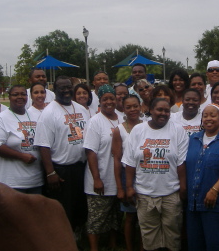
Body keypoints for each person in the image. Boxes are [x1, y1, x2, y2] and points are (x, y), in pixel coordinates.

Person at [122, 98, 188, 251]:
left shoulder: (178, 130)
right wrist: (129, 187)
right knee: (149, 237)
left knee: (173, 236)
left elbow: (181, 162)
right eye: (159, 110)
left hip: (171, 193)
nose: (163, 113)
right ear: (150, 110)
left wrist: (183, 187)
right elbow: (130, 162)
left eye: (166, 111)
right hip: (144, 193)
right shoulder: (138, 130)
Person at [34, 76, 90, 231]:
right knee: (64, 208)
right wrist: (50, 172)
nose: (66, 91)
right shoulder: (48, 113)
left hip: (81, 166)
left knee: (80, 204)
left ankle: (78, 235)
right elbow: (43, 145)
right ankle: (64, 239)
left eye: (68, 87)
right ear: (54, 90)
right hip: (61, 169)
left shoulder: (80, 109)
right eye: (62, 88)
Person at [186, 104, 219, 251]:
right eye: (205, 115)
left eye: (213, 115)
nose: (208, 119)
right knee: (195, 244)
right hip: (195, 202)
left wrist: (215, 190)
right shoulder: (193, 139)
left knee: (217, 244)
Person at [83, 84, 122, 251]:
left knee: (115, 217)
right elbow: (90, 151)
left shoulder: (122, 118)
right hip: (101, 179)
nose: (109, 101)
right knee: (96, 219)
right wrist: (97, 179)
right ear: (100, 100)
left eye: (111, 98)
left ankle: (113, 245)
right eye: (105, 98)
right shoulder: (95, 122)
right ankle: (94, 248)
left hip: (118, 180)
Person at [0, 85, 43, 194]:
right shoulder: (0, 119)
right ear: (9, 97)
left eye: (23, 94)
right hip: (11, 182)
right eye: (15, 94)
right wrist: (21, 156)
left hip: (35, 180)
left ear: (28, 97)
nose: (20, 97)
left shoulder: (36, 116)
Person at [112, 94, 143, 251]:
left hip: (145, 175)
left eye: (135, 106)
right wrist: (120, 187)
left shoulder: (147, 126)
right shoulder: (119, 130)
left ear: (140, 106)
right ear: (123, 109)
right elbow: (117, 159)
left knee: (145, 217)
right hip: (127, 176)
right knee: (130, 217)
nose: (133, 110)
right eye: (128, 107)